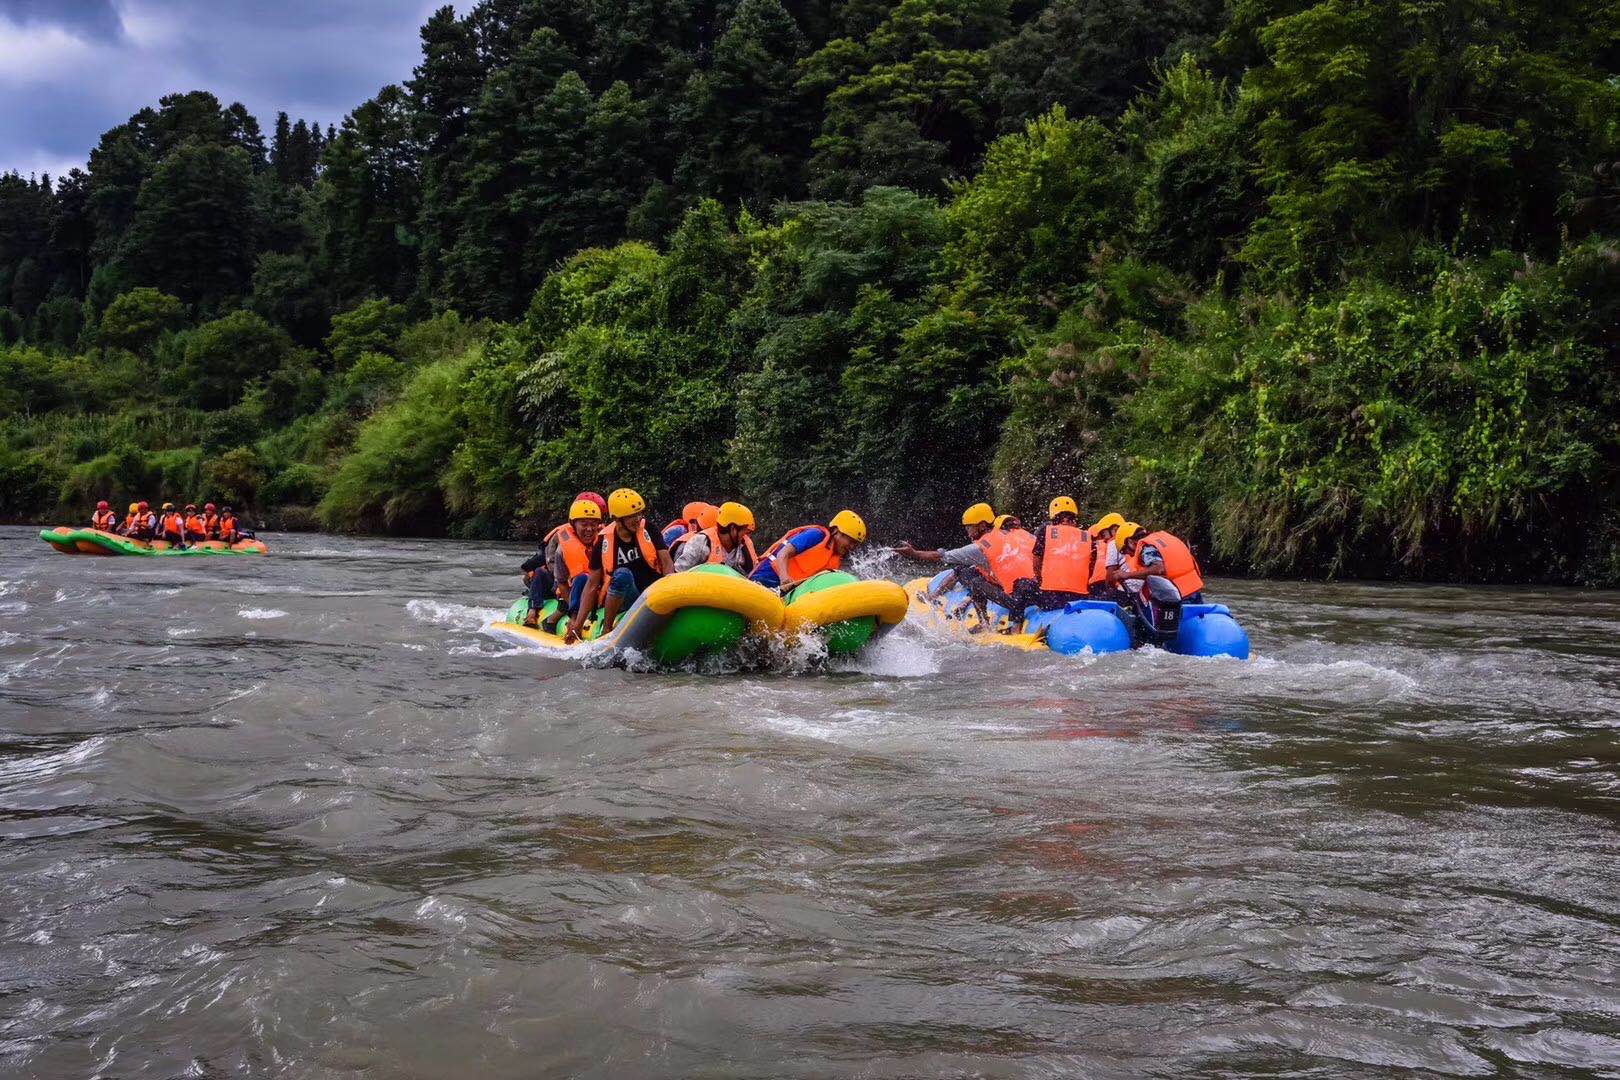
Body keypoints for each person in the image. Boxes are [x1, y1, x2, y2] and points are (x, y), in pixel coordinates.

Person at [567, 488, 674, 642]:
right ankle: (607, 629)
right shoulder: (603, 541)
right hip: (627, 598)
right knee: (623, 574)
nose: (637, 519)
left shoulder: (648, 529)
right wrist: (577, 627)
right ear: (617, 519)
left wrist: (670, 598)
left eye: (639, 514)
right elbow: (592, 585)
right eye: (631, 516)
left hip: (653, 592)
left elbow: (667, 563)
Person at [894, 503, 1015, 626]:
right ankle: (967, 600)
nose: (968, 532)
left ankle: (982, 622)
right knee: (971, 571)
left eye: (969, 528)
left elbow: (940, 556)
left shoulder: (978, 548)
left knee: (966, 575)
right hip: (1017, 583)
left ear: (982, 525)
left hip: (1006, 589)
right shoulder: (1011, 537)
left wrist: (913, 553)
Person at [1005, 496, 1101, 612]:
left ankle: (1016, 624)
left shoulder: (1046, 531)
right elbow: (1091, 569)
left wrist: (1041, 581)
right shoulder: (1087, 536)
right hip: (1079, 598)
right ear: (1074, 516)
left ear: (1054, 516)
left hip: (1051, 600)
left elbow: (1036, 564)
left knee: (1020, 583)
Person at [521, 497, 603, 632]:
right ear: (573, 524)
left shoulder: (606, 540)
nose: (589, 529)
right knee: (541, 572)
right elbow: (552, 565)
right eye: (584, 524)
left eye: (593, 524)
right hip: (565, 584)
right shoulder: (562, 544)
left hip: (594, 588)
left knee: (584, 578)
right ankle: (534, 613)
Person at [750, 510, 867, 591]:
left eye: (855, 544)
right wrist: (784, 579)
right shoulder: (816, 535)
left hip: (784, 594)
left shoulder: (835, 560)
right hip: (764, 579)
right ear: (836, 531)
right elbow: (783, 553)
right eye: (850, 541)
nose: (852, 547)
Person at [1114, 523, 1206, 602]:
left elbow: (1158, 569)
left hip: (1179, 595)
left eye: (1125, 551)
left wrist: (1127, 575)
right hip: (1194, 590)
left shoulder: (1146, 548)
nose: (1130, 555)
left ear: (1130, 542)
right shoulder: (1164, 538)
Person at [672, 501, 759, 574]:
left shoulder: (744, 545)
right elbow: (678, 572)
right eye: (744, 531)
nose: (746, 536)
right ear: (733, 529)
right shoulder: (701, 541)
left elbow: (753, 575)